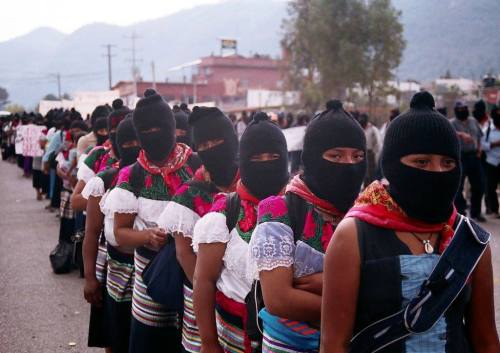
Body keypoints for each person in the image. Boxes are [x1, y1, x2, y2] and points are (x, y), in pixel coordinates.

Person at [320, 92, 499, 352]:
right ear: (393, 166)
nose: (437, 172)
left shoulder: (469, 238)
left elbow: (486, 340)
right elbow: (333, 345)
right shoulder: (354, 236)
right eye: (421, 162)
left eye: (447, 162)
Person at [248, 101, 366, 353]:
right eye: (335, 156)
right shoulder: (280, 211)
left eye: (357, 156)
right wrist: (359, 300)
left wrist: (327, 284)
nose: (348, 165)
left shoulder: (367, 211)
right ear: (312, 158)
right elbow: (279, 299)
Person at [193, 112, 289, 353]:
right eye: (257, 157)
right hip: (232, 340)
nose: (266, 163)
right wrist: (208, 342)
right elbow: (203, 280)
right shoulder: (226, 211)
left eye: (273, 157)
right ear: (244, 161)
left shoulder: (299, 206)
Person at [108, 89, 194, 353]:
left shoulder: (198, 166)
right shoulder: (131, 176)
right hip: (151, 282)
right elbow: (119, 234)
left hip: (193, 277)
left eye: (160, 127)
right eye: (147, 130)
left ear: (171, 128)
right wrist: (147, 237)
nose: (154, 134)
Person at [157, 106, 239, 353]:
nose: (212, 148)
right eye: (204, 144)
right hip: (205, 298)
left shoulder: (252, 182)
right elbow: (184, 255)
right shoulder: (189, 194)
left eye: (218, 140)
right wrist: (212, 293)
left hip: (244, 300)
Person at [82, 117, 140, 353]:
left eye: (139, 139)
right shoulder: (105, 179)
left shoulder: (158, 179)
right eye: (127, 142)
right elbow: (92, 232)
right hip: (115, 274)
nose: (133, 145)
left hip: (148, 276)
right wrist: (90, 278)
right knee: (114, 337)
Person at [451, 101, 486, 222]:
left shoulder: (473, 121)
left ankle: (476, 212)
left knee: (480, 185)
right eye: (460, 109)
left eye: (465, 108)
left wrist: (479, 149)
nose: (463, 110)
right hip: (459, 158)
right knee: (457, 187)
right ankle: (461, 212)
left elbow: (480, 136)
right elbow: (447, 133)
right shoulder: (452, 123)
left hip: (474, 157)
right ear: (456, 110)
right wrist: (461, 134)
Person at [481, 106, 500, 217]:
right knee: (491, 187)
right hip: (491, 162)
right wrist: (494, 144)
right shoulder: (487, 130)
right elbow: (482, 145)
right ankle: (493, 209)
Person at [357, 113, 381, 186]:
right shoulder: (359, 128)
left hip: (370, 153)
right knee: (363, 173)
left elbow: (378, 142)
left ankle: (372, 189)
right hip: (361, 153)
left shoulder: (372, 129)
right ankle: (365, 190)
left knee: (371, 173)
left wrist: (374, 152)